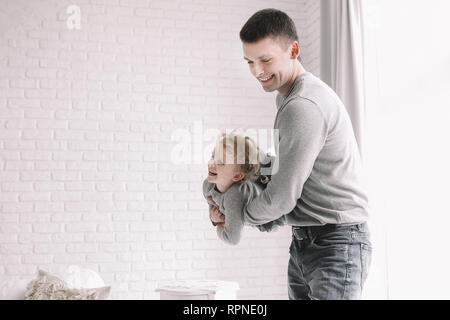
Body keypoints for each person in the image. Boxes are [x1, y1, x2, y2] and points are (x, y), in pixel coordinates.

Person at [210, 8, 372, 300]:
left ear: (293, 50)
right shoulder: (287, 98)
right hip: (307, 240)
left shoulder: (303, 105)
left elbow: (282, 198)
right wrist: (238, 182)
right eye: (250, 62)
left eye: (266, 60)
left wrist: (237, 213)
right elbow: (279, 164)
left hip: (336, 244)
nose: (257, 71)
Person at [203, 132, 286, 245]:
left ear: (237, 176)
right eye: (213, 156)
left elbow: (232, 239)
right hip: (254, 182)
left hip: (268, 209)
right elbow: (212, 206)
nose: (211, 163)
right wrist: (214, 219)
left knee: (273, 169)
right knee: (254, 165)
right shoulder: (207, 185)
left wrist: (218, 228)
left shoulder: (234, 196)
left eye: (220, 162)